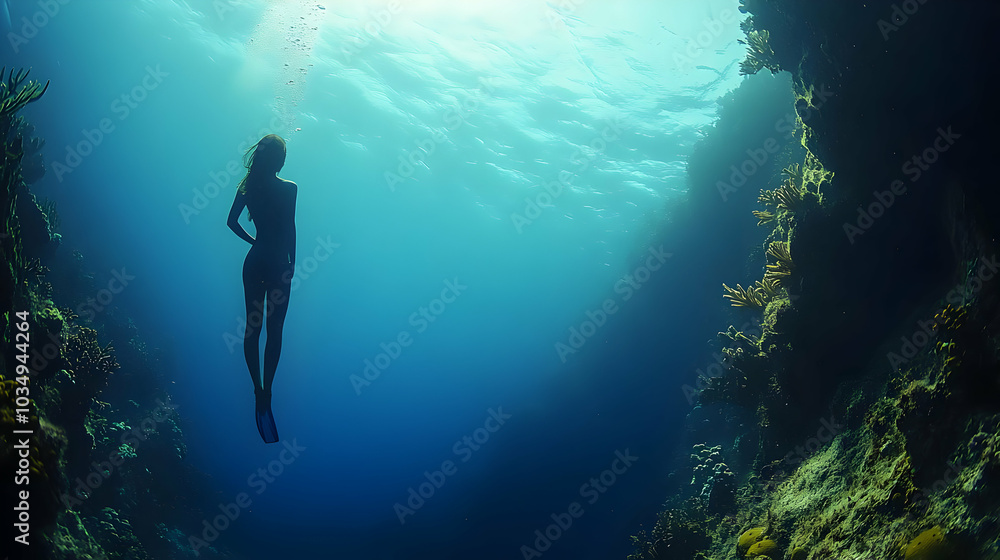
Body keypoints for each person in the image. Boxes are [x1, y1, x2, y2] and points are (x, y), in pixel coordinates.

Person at [227, 134, 296, 443]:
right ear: (281, 160)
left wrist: (255, 243)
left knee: (251, 330)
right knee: (275, 331)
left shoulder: (248, 187)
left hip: (255, 262)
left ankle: (257, 389)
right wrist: (293, 264)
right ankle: (268, 390)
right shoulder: (290, 189)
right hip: (279, 265)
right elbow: (291, 228)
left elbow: (231, 222)